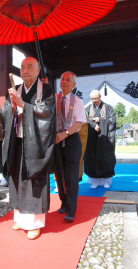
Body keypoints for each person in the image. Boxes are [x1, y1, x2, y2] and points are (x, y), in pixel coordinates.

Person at [1, 57, 56, 240]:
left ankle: (34, 223)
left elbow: (47, 112)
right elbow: (5, 112)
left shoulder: (46, 90)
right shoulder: (16, 89)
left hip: (36, 145)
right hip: (18, 142)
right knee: (17, 177)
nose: (25, 70)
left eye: (29, 67)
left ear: (38, 70)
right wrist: (12, 106)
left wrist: (24, 105)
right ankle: (20, 218)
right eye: (22, 67)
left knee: (33, 180)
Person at [55, 71, 87, 222]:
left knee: (71, 176)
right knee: (60, 176)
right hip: (56, 141)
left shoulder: (78, 101)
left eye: (68, 80)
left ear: (73, 85)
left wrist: (65, 134)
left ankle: (71, 210)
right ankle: (63, 202)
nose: (64, 82)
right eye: (62, 79)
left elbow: (79, 123)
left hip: (71, 140)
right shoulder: (53, 99)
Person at [84, 89, 116, 188]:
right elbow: (84, 121)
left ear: (100, 97)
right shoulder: (88, 108)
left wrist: (101, 121)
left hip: (104, 139)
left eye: (96, 98)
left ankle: (106, 181)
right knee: (92, 159)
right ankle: (94, 182)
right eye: (92, 99)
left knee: (105, 158)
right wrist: (94, 125)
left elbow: (112, 121)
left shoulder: (108, 108)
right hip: (92, 140)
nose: (94, 100)